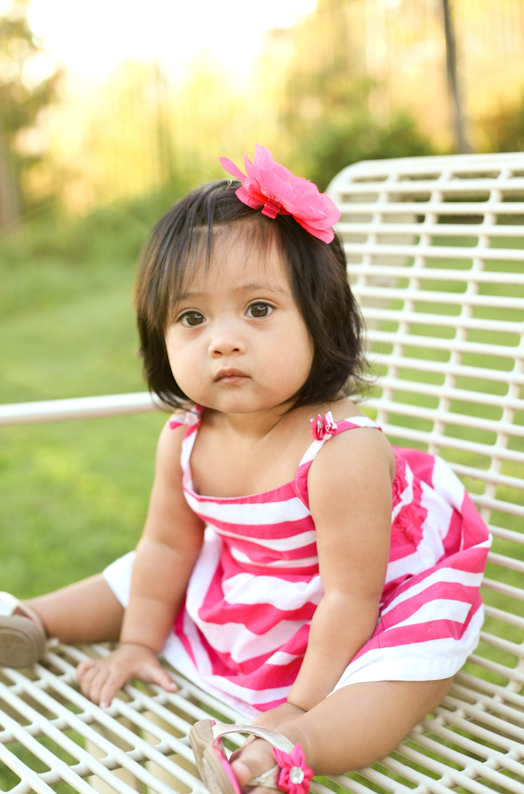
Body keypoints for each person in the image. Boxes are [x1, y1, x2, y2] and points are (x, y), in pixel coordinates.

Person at [0, 146, 491, 793]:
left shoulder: (341, 451)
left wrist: (301, 701)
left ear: (319, 320)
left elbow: (350, 598)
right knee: (143, 571)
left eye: (258, 309)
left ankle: (292, 745)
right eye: (191, 317)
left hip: (371, 602)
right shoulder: (185, 437)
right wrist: (138, 643)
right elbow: (165, 548)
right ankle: (32, 619)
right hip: (252, 578)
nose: (222, 340)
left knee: (399, 677)